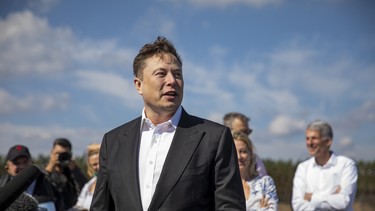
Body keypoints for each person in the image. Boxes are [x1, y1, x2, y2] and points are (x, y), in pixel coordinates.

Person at [90, 36, 245, 210]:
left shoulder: (214, 138)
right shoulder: (113, 142)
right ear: (138, 85)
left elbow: (230, 207)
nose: (172, 81)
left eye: (177, 74)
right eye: (161, 74)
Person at [292, 120, 358, 210]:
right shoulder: (303, 168)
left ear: (328, 141)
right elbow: (297, 205)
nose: (309, 143)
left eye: (314, 138)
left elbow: (343, 202)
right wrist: (332, 198)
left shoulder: (347, 165)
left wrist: (312, 198)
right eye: (307, 138)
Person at [0, 145, 63, 211]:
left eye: (25, 162)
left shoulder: (49, 183)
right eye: (16, 163)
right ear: (7, 167)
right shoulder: (1, 186)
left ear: (32, 163)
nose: (22, 167)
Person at [232, 131, 278, 211]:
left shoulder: (266, 182)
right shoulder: (223, 186)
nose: (239, 157)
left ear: (251, 154)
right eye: (234, 152)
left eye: (243, 151)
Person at [45, 138, 87, 210]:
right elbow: (38, 186)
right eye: (57, 153)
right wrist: (49, 168)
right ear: (51, 152)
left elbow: (85, 187)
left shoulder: (72, 172)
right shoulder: (45, 171)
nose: (61, 156)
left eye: (64, 154)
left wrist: (75, 169)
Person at [223, 112, 268, 176]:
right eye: (242, 132)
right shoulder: (215, 157)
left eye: (248, 132)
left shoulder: (255, 160)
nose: (246, 135)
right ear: (227, 131)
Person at [74, 143, 100, 211]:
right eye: (94, 164)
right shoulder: (88, 185)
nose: (98, 167)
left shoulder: (113, 183)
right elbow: (79, 205)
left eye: (100, 162)